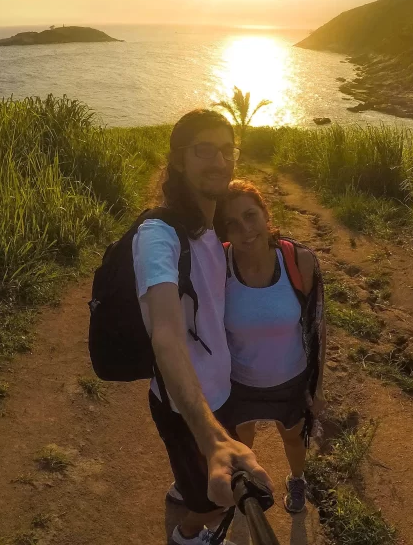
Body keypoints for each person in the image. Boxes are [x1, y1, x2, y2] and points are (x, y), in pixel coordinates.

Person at [133, 110, 271, 545]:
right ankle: (187, 535)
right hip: (185, 403)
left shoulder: (209, 227)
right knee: (214, 498)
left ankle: (186, 479)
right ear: (177, 160)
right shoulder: (158, 235)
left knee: (201, 479)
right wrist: (212, 440)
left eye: (227, 150)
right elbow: (166, 334)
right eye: (203, 150)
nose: (219, 161)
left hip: (220, 390)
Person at [215, 179, 327, 515]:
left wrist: (318, 388)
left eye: (250, 216)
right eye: (232, 223)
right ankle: (245, 483)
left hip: (290, 380)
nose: (245, 230)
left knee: (293, 438)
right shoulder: (218, 265)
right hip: (237, 382)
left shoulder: (300, 262)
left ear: (266, 214)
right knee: (239, 442)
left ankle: (296, 479)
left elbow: (319, 327)